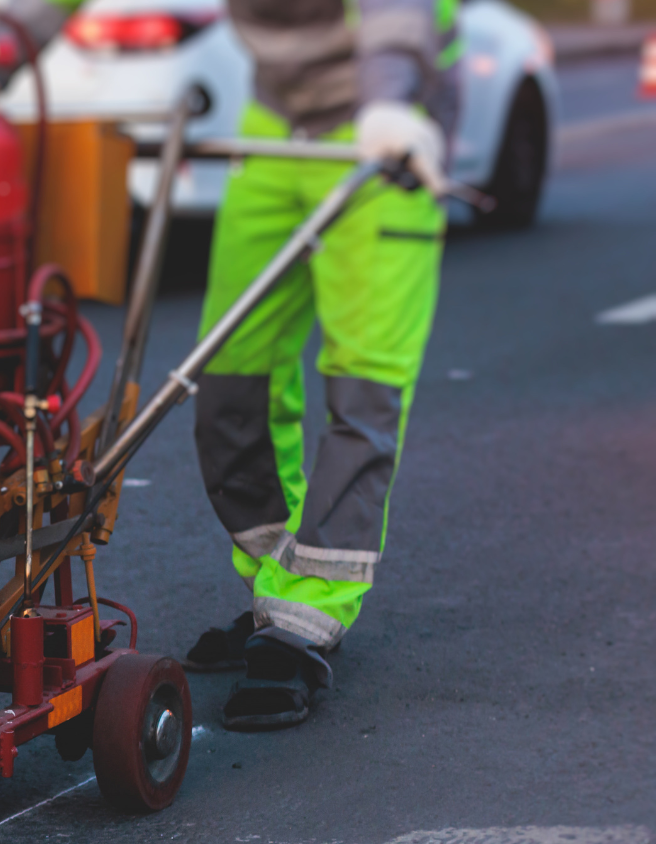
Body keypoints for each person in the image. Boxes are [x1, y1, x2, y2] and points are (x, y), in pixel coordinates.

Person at [185, 0, 456, 729]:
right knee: (227, 373)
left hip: (387, 125)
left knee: (363, 388)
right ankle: (279, 583)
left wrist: (392, 100)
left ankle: (304, 621)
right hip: (277, 120)